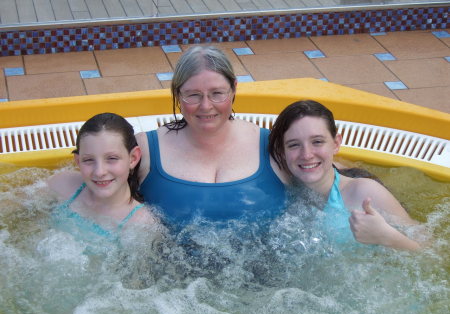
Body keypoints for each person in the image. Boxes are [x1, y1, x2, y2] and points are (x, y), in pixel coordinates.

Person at [136, 46, 287, 236]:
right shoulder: (145, 149)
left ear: (233, 89)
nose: (206, 106)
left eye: (217, 93)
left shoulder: (274, 146)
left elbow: (328, 187)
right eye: (193, 95)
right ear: (177, 94)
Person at [269, 100, 422, 251]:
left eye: (317, 141)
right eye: (294, 145)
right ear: (282, 151)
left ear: (336, 144)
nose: (307, 155)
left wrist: (386, 236)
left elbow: (430, 249)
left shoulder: (364, 192)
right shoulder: (281, 183)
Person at [48, 112, 163, 252]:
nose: (99, 172)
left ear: (133, 158)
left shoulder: (140, 225)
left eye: (112, 158)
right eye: (89, 160)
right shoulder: (62, 185)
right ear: (78, 161)